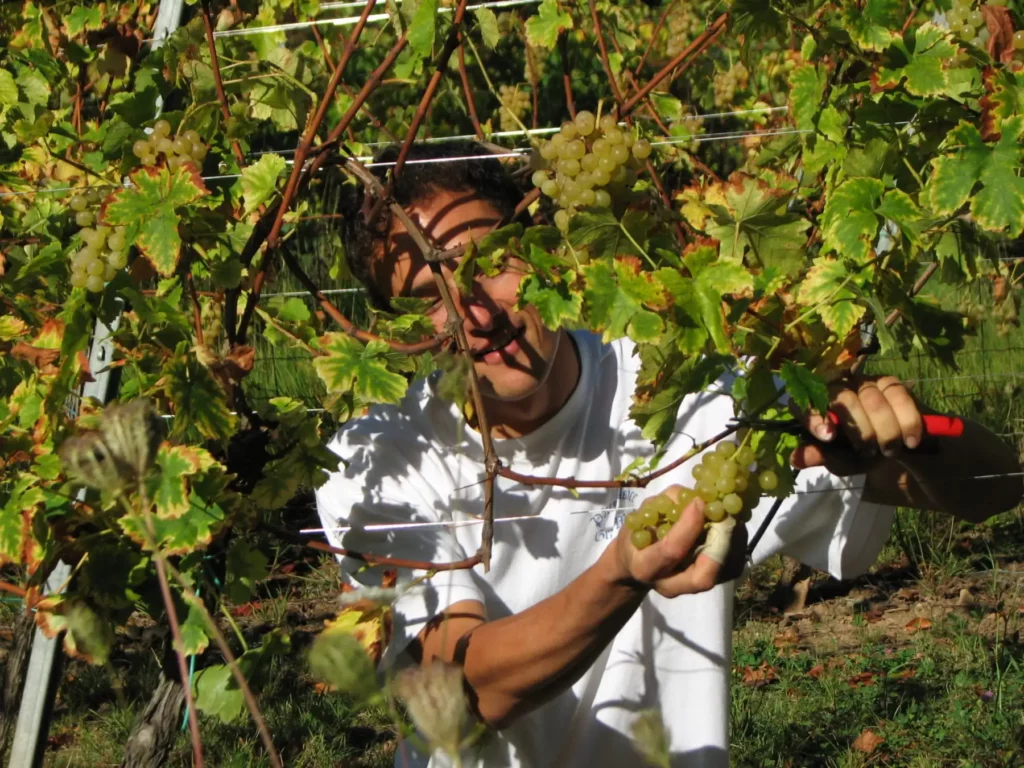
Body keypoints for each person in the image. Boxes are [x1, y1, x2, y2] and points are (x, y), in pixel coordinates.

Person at [315, 142, 1021, 767]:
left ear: (544, 246)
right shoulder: (379, 461)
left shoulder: (684, 386)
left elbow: (999, 486)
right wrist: (621, 574)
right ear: (398, 329)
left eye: (486, 262)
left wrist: (914, 437)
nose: (472, 310)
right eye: (425, 296)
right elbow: (461, 695)